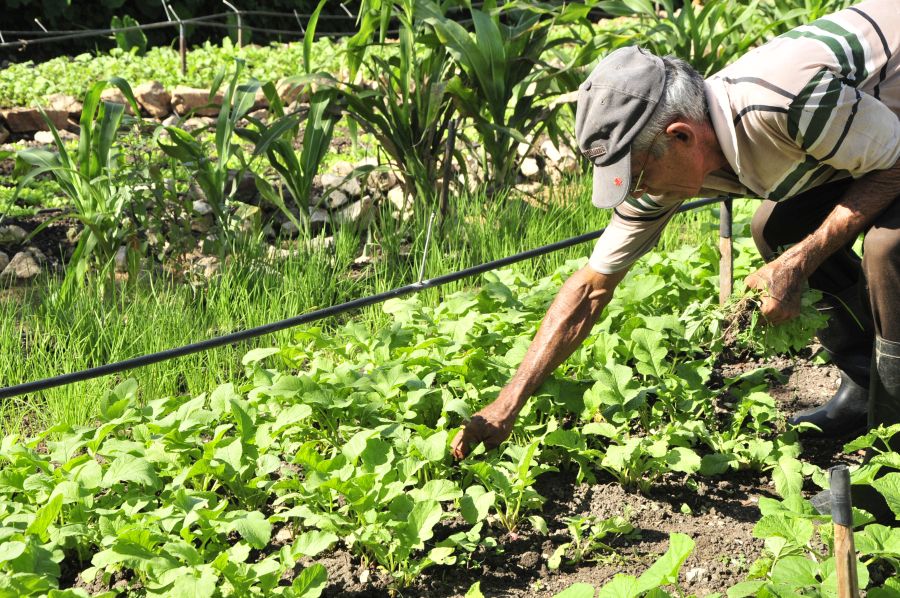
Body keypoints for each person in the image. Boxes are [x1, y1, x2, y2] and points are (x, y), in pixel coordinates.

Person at [450, 0, 900, 460]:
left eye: (639, 173)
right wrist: (507, 404)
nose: (637, 190)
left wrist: (800, 261)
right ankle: (865, 386)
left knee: (887, 248)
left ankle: (894, 431)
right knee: (778, 228)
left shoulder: (783, 103)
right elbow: (590, 289)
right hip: (878, 136)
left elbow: (895, 164)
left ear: (680, 136)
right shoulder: (679, 156)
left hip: (895, 142)